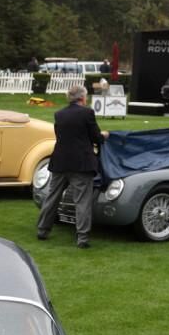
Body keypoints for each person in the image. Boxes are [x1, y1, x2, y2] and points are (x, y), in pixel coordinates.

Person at [36, 84, 109, 249]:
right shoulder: (87, 113)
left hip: (60, 161)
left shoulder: (59, 114)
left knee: (52, 197)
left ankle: (42, 230)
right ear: (83, 98)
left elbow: (60, 135)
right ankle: (82, 238)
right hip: (81, 164)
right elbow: (96, 137)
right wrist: (104, 135)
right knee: (82, 201)